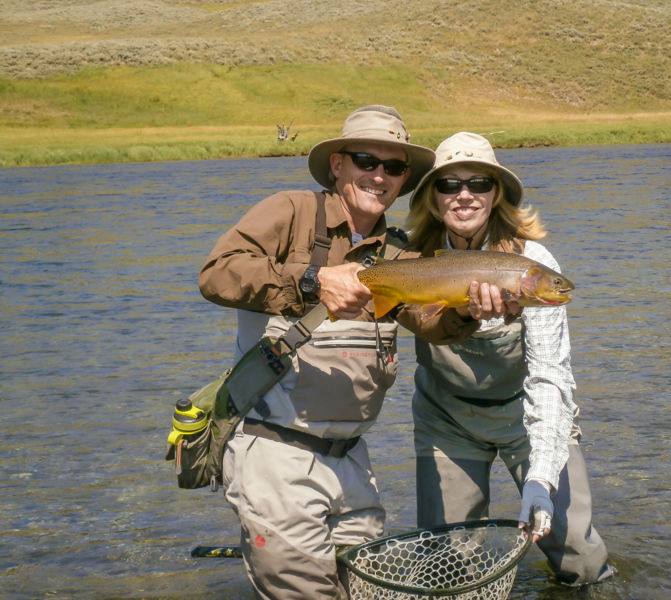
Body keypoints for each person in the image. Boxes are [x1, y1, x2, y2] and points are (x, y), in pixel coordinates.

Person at [197, 108, 503, 599]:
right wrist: (315, 279)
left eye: (395, 167)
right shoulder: (291, 211)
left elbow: (431, 325)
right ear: (337, 164)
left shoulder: (399, 253)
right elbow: (217, 273)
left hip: (353, 461)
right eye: (366, 160)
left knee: (365, 592)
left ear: (405, 180)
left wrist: (469, 311)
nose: (379, 175)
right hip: (276, 452)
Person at [405, 132, 616, 586]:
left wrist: (541, 478)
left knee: (578, 556)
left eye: (479, 183)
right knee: (446, 565)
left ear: (496, 193)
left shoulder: (531, 262)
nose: (464, 195)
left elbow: (549, 375)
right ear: (432, 196)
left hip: (525, 414)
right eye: (448, 185)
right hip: (446, 420)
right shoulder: (410, 258)